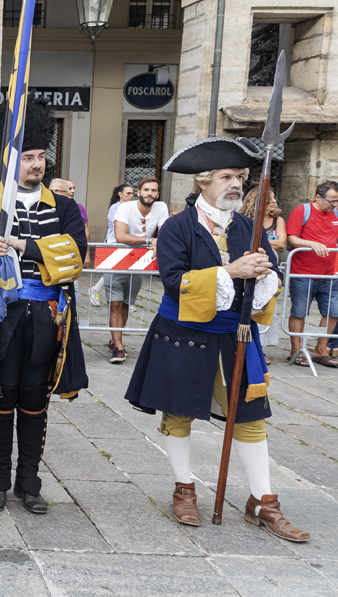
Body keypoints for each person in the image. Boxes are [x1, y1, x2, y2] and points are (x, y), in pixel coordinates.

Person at [125, 137, 309, 543]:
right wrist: (232, 272)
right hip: (183, 334)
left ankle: (263, 501)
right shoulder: (177, 226)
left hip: (235, 336)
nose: (236, 184)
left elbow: (270, 276)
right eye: (227, 176)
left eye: (240, 177)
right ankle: (184, 489)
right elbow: (174, 281)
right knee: (178, 413)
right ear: (202, 183)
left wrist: (265, 274)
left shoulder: (248, 226)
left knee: (249, 417)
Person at [0, 99, 88, 514]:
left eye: (40, 156)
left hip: (47, 321)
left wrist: (21, 245)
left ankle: (28, 482)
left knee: (35, 401)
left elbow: (74, 257)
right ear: (9, 161)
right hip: (2, 319)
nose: (36, 164)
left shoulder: (65, 208)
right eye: (27, 157)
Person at [107, 176, 169, 363]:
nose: (149, 194)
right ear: (139, 191)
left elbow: (164, 231)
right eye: (146, 190)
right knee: (115, 303)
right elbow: (120, 236)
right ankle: (118, 348)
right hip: (115, 257)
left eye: (153, 190)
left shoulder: (161, 207)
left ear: (157, 193)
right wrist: (151, 241)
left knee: (126, 302)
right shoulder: (125, 207)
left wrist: (160, 242)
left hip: (139, 259)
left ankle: (116, 339)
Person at [286, 180, 338, 368]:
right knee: (299, 312)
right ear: (318, 197)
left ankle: (320, 350)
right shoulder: (302, 211)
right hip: (304, 272)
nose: (334, 204)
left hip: (330, 274)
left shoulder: (336, 213)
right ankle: (295, 350)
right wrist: (311, 243)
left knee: (333, 312)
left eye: (337, 201)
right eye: (331, 200)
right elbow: (291, 238)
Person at [242, 186, 285, 359]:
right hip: (251, 267)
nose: (274, 201)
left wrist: (261, 242)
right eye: (270, 198)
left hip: (269, 268)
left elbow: (281, 243)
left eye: (274, 198)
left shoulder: (278, 220)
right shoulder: (245, 220)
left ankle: (260, 348)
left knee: (266, 308)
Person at [89, 184, 135, 307]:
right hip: (113, 242)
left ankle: (98, 290)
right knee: (113, 270)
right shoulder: (115, 207)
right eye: (128, 193)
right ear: (120, 194)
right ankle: (96, 290)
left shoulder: (131, 207)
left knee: (120, 270)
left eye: (132, 193)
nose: (131, 196)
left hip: (126, 242)